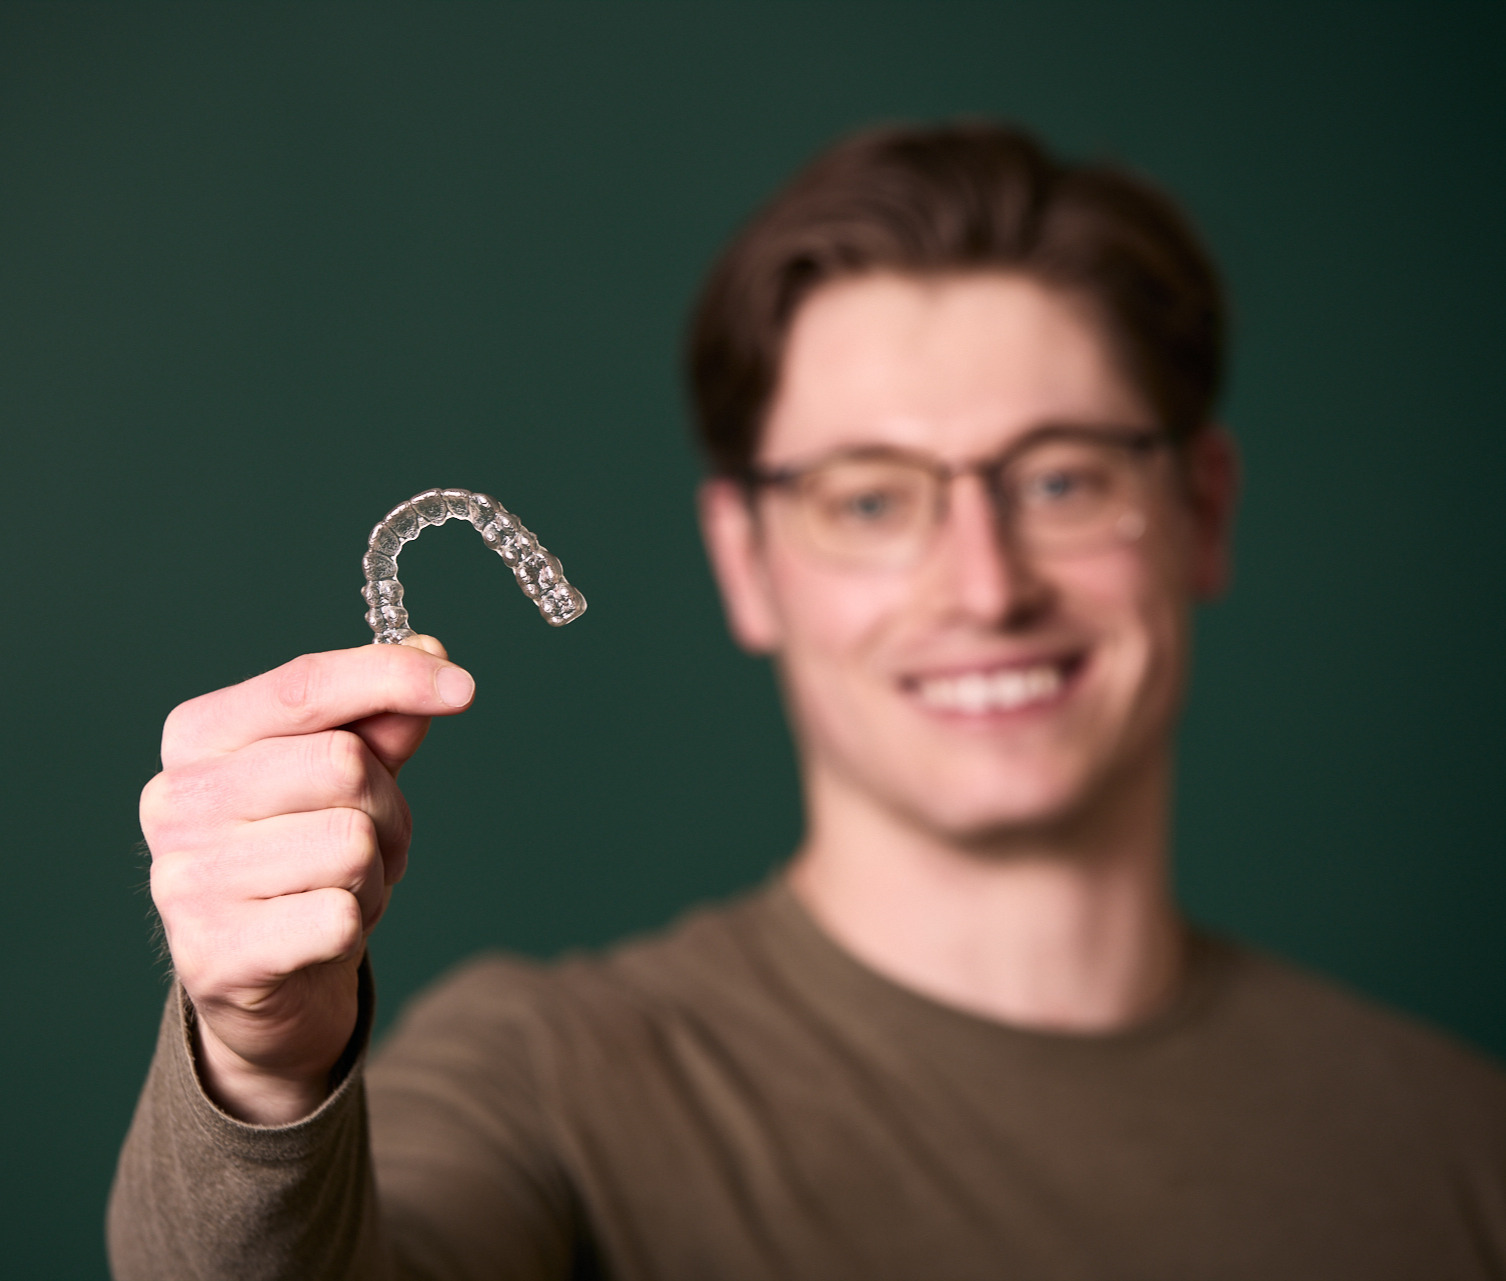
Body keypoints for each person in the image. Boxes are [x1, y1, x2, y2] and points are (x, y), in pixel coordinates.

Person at [109, 122, 1506, 1281]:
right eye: (868, 497)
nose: (980, 583)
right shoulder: (550, 1083)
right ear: (747, 560)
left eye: (1063, 476)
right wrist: (265, 1071)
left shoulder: (1463, 1147)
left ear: (1199, 511)